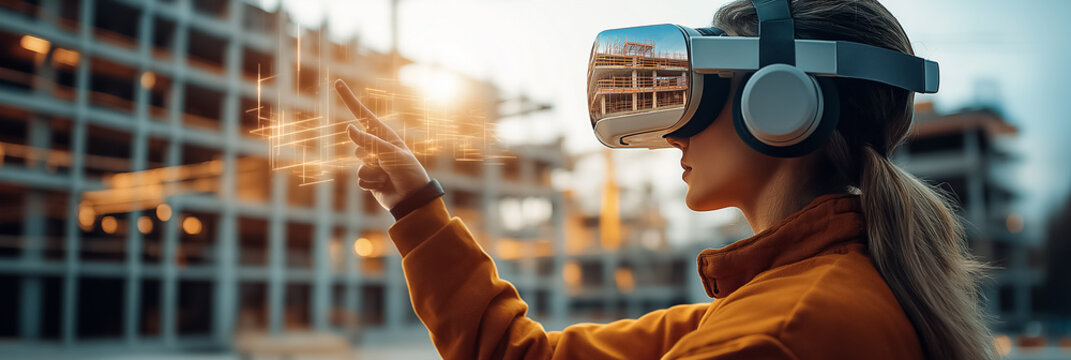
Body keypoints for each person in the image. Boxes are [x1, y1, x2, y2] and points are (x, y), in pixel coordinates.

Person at [334, 0, 995, 358]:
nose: (675, 133)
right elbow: (517, 355)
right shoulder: (776, 304)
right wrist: (414, 202)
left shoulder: (777, 334)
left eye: (704, 94)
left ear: (780, 104)